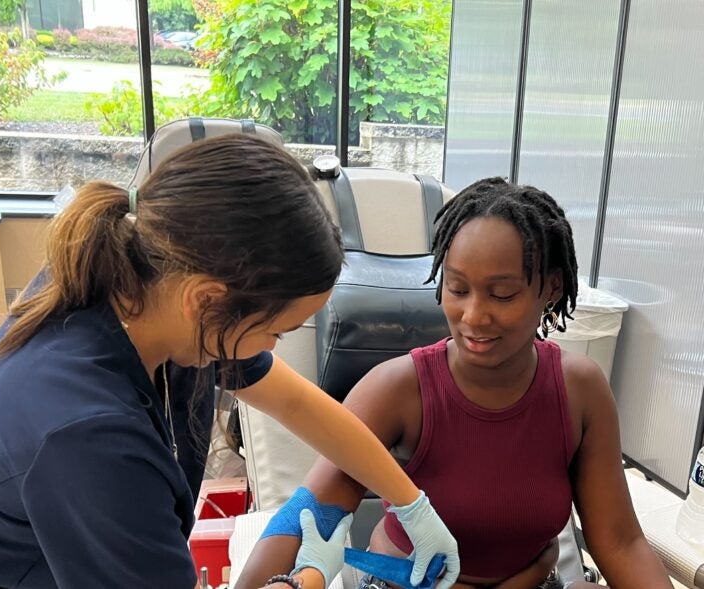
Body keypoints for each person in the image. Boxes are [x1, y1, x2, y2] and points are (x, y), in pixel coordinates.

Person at [0, 135, 459, 589]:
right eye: (274, 330)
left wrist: (409, 502)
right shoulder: (86, 436)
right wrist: (310, 577)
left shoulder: (149, 289)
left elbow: (300, 405)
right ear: (207, 299)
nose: (274, 348)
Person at [236, 177, 674, 589]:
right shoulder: (397, 390)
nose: (474, 316)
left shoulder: (580, 391)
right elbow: (308, 517)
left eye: (502, 294)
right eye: (458, 288)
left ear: (552, 288)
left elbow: (620, 542)